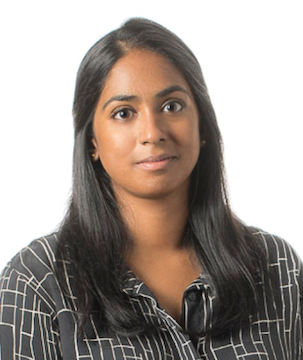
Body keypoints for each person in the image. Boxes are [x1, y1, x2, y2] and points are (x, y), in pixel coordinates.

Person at [0, 18, 302, 360]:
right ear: (92, 141)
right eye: (124, 113)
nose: (152, 131)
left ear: (202, 124)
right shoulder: (38, 281)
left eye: (172, 106)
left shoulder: (277, 267)